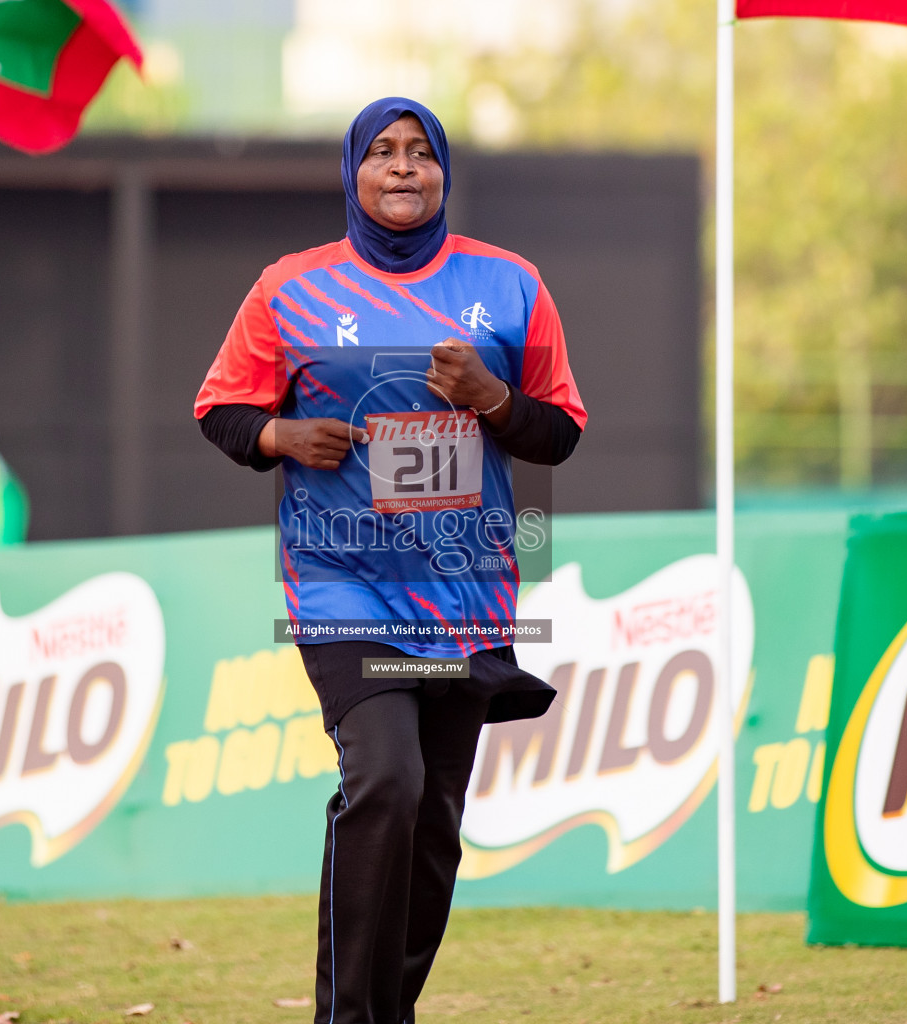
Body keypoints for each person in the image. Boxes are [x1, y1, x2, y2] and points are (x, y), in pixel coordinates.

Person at [194, 97, 587, 1024]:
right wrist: (284, 433)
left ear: (445, 172)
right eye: (382, 152)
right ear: (352, 173)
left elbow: (559, 431)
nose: (403, 168)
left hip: (465, 594)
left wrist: (492, 396)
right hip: (343, 586)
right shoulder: (290, 287)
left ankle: (387, 1010)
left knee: (434, 823)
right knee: (386, 778)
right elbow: (220, 410)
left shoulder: (511, 283)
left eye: (421, 153)